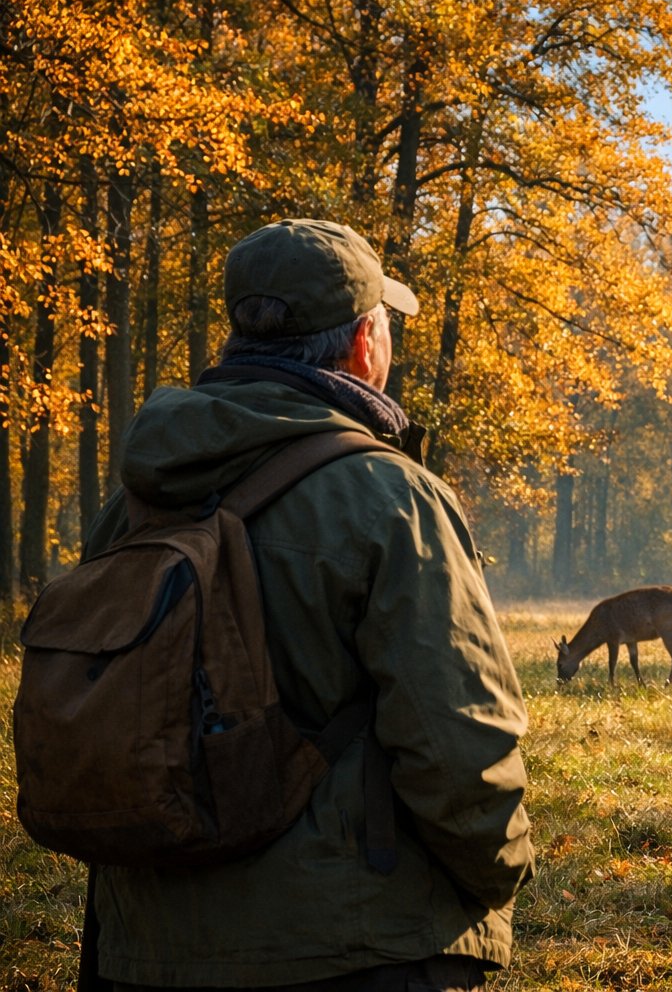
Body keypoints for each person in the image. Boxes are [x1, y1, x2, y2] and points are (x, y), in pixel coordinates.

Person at [82, 219, 535, 991]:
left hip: (142, 948)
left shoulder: (135, 500)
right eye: (386, 323)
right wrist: (503, 877)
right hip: (355, 949)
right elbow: (457, 741)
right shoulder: (392, 498)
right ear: (364, 345)